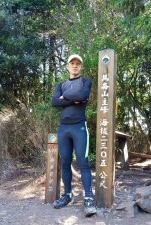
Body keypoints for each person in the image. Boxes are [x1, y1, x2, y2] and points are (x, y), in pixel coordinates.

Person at [51, 54, 96, 217]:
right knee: (65, 163)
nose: (75, 66)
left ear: (81, 67)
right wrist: (72, 98)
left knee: (83, 162)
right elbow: (54, 102)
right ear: (67, 66)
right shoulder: (61, 84)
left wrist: (65, 97)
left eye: (78, 64)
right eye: (72, 63)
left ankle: (89, 198)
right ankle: (67, 195)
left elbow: (82, 96)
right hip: (63, 128)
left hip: (79, 127)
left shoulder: (86, 82)